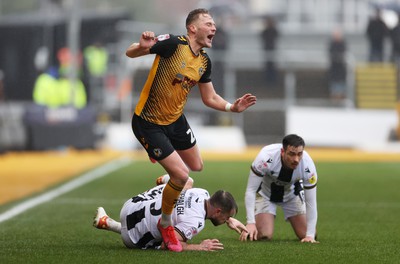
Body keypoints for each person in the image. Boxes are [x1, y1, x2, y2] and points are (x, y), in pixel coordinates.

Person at [125, 8, 257, 252]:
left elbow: (210, 97)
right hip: (149, 122)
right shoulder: (174, 44)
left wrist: (232, 107)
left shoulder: (204, 61)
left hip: (175, 121)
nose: (214, 28)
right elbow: (130, 52)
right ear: (192, 28)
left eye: (214, 24)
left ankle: (164, 177)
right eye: (208, 23)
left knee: (196, 166)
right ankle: (165, 223)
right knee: (182, 176)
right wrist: (142, 47)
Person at [93, 175, 248, 251]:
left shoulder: (202, 193)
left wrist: (228, 219)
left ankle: (107, 223)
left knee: (186, 180)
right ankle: (111, 224)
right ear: (218, 211)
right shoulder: (196, 222)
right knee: (166, 235)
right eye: (226, 217)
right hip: (132, 239)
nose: (226, 220)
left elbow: (215, 209)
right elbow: (168, 244)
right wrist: (199, 246)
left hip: (130, 207)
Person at [239, 134, 319, 243]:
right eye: (291, 154)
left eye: (299, 154)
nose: (296, 159)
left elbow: (311, 202)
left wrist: (309, 236)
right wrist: (250, 222)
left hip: (292, 196)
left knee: (310, 234)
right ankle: (251, 225)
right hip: (265, 195)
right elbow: (251, 190)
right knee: (264, 235)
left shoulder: (308, 166)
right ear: (282, 152)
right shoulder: (265, 157)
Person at [328, 29, 347, 100]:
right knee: (334, 87)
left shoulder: (342, 44)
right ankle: (334, 98)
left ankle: (340, 97)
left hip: (341, 69)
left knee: (341, 86)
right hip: (334, 69)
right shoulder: (332, 44)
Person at [260, 16, 279, 84]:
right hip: (267, 50)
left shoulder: (272, 31)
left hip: (271, 50)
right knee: (268, 65)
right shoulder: (266, 31)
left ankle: (272, 80)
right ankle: (269, 80)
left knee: (272, 65)